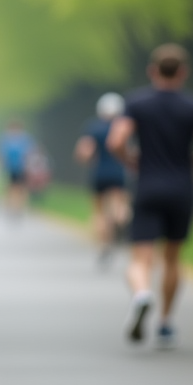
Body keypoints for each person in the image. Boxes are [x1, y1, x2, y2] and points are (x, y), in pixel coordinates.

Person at [107, 44, 193, 349]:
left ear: (152, 71)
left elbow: (116, 139)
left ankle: (142, 294)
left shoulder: (137, 103)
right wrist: (192, 161)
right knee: (172, 258)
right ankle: (166, 323)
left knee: (140, 258)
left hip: (148, 186)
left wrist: (130, 158)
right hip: (182, 188)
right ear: (184, 72)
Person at [74, 92, 130, 266]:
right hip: (119, 172)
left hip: (99, 173)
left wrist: (85, 159)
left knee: (99, 212)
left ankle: (103, 245)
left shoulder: (93, 127)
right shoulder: (124, 126)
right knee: (119, 204)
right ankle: (122, 222)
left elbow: (84, 152)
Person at [0, 120, 34, 218]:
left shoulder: (23, 139)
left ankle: (18, 207)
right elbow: (1, 154)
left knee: (20, 188)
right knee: (12, 188)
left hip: (21, 167)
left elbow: (29, 153)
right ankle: (12, 207)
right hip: (11, 168)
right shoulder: (7, 139)